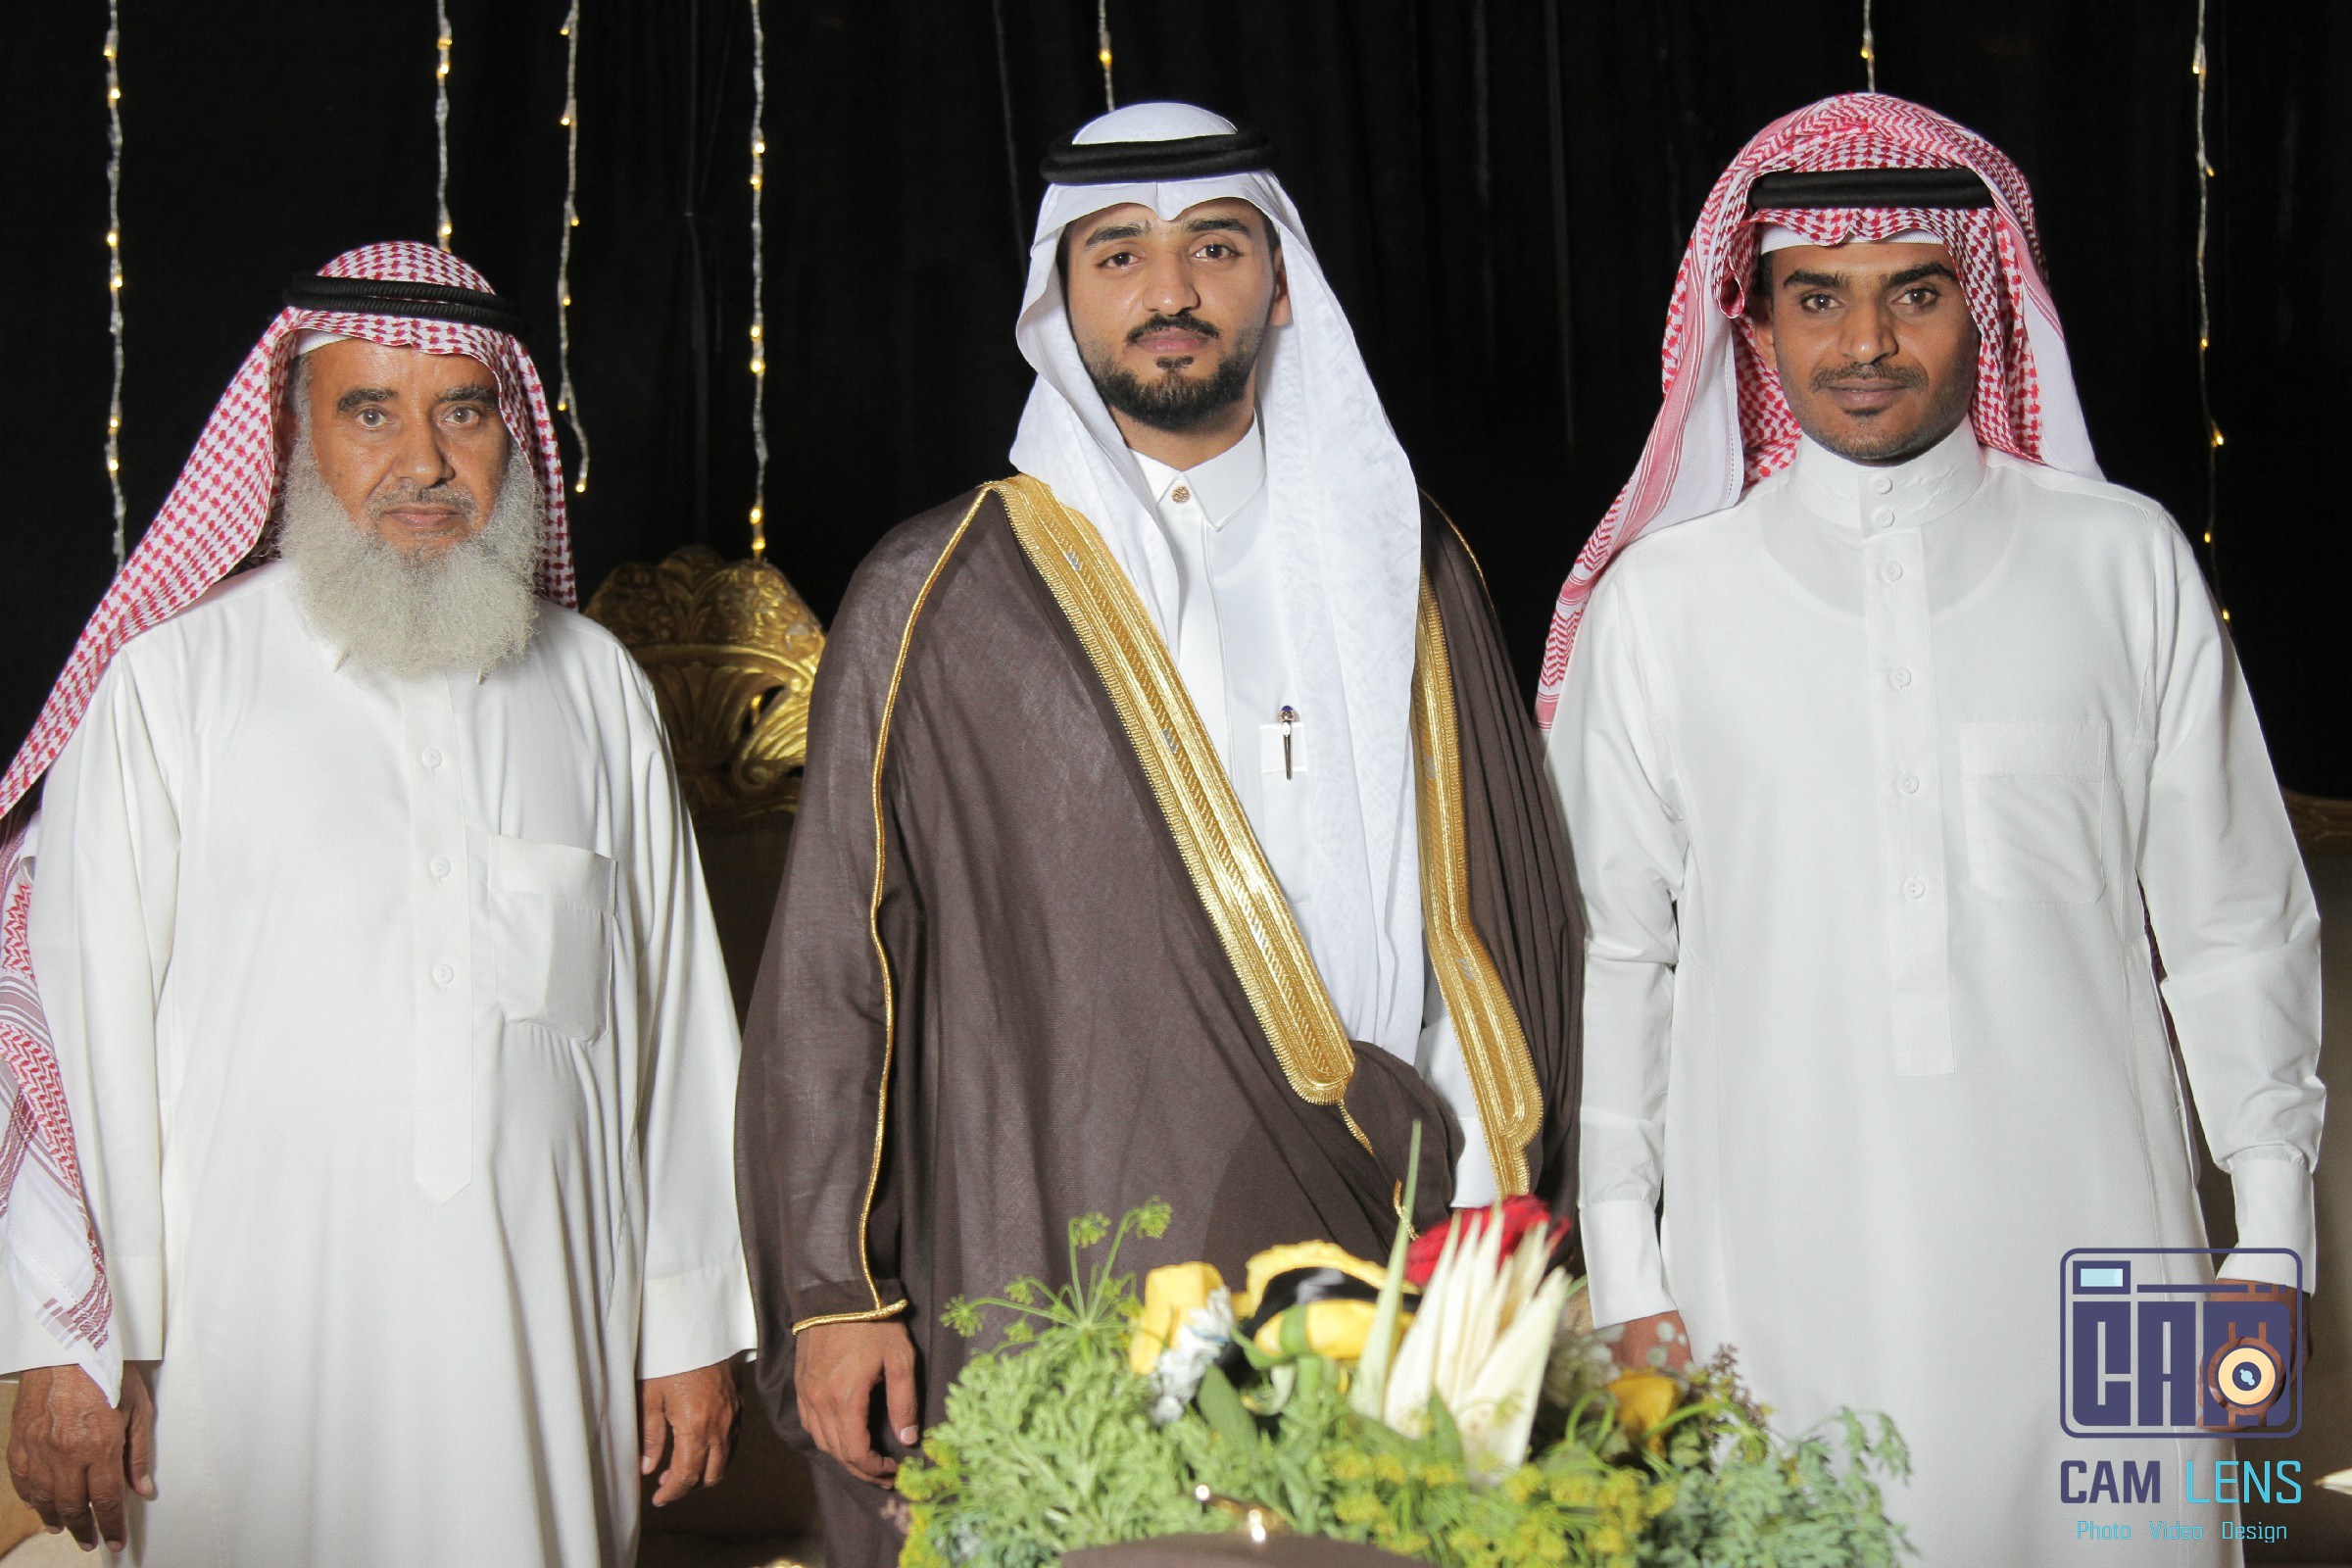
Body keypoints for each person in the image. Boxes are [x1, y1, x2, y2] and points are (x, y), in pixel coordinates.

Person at [736, 102, 1582, 1565]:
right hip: (1057, 1240)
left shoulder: (1411, 561)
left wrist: (1498, 1223)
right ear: (1057, 301)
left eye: (1217, 248)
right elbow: (835, 962)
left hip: (1392, 1233)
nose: (1171, 290)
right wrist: (833, 1290)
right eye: (1119, 253)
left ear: (1282, 283)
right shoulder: (942, 589)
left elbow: (1499, 917)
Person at [1544, 94, 2323, 1564]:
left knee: (2137, 1541)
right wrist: (1627, 1271)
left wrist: (2272, 1236)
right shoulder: (1664, 608)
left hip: (2113, 1253)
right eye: (1815, 298)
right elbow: (1617, 959)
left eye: (1915, 292)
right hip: (1764, 1262)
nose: (1865, 343)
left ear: (1989, 303)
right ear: (1754, 320)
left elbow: (2234, 926)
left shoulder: (2125, 563)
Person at [0, 242, 756, 1566]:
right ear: (295, 436)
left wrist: (688, 1328)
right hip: (237, 1373)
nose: (424, 461)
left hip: (543, 1353)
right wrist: (70, 1346)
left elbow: (680, 1031)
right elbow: (75, 1028)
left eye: (463, 411)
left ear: (512, 438)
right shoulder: (174, 686)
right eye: (370, 412)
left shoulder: (596, 690)